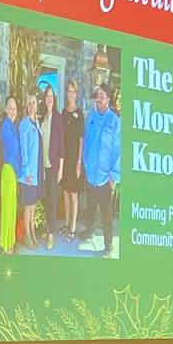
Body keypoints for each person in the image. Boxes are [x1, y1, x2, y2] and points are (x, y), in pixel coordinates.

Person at [82, 83, 121, 257]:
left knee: (106, 212)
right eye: (97, 95)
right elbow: (87, 142)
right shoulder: (91, 117)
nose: (99, 98)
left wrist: (114, 176)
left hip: (106, 177)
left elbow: (118, 150)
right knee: (90, 207)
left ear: (108, 98)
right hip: (90, 174)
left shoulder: (114, 121)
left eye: (102, 95)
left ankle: (108, 244)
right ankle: (89, 230)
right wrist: (84, 163)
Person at [17, 89, 41, 252]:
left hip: (36, 172)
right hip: (28, 174)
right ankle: (27, 235)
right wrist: (27, 171)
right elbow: (23, 149)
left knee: (33, 205)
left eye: (34, 103)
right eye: (29, 103)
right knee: (28, 206)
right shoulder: (25, 124)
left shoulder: (36, 122)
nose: (32, 106)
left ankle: (32, 233)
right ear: (26, 106)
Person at [40, 84, 64, 249]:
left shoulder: (57, 117)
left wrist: (61, 168)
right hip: (41, 166)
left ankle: (51, 235)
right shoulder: (42, 116)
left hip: (53, 166)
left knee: (52, 200)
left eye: (51, 96)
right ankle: (49, 227)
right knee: (45, 198)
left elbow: (62, 144)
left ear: (54, 99)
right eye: (47, 95)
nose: (49, 98)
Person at [61, 81, 85, 243]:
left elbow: (81, 140)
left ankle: (73, 227)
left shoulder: (80, 113)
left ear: (76, 94)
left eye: (73, 91)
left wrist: (78, 162)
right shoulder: (63, 112)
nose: (71, 94)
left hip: (74, 159)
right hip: (64, 159)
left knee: (73, 193)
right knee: (65, 192)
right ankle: (67, 223)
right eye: (69, 91)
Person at [0, 93, 20, 254]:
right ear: (5, 109)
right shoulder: (6, 127)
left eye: (14, 108)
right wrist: (19, 172)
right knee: (7, 209)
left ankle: (9, 241)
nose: (12, 111)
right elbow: (11, 154)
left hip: (12, 171)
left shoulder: (12, 126)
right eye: (9, 108)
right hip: (9, 170)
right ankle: (6, 245)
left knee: (12, 208)